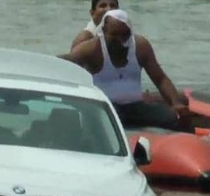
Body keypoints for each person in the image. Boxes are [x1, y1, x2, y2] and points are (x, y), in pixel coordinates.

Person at [61, 9, 192, 132]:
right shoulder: (91, 49)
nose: (120, 40)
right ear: (103, 31)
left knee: (174, 118)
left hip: (136, 106)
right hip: (106, 109)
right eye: (114, 35)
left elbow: (160, 79)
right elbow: (65, 64)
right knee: (105, 123)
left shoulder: (141, 46)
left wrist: (175, 103)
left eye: (124, 35)